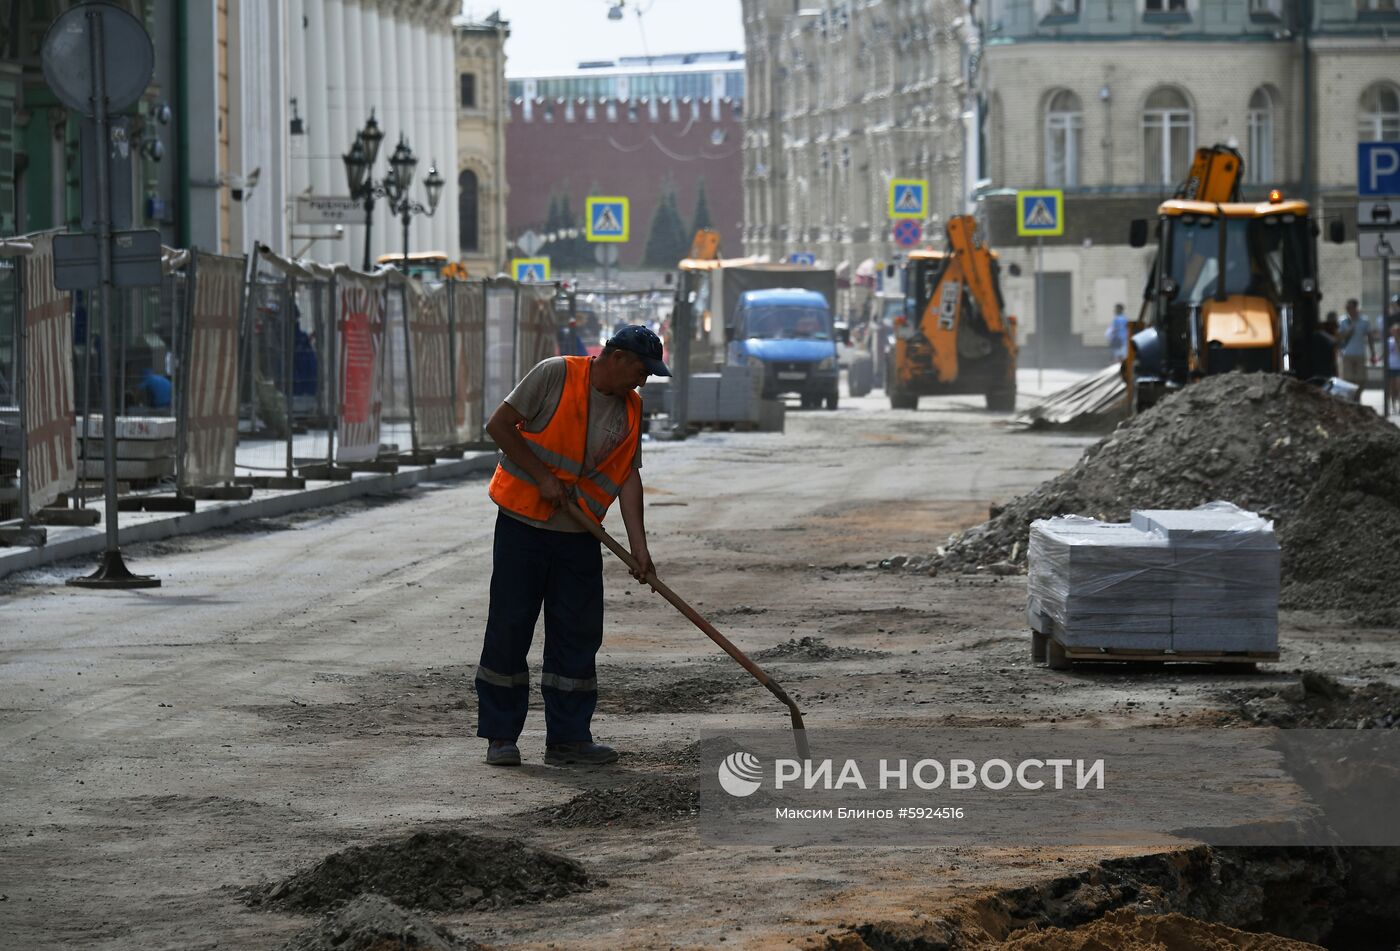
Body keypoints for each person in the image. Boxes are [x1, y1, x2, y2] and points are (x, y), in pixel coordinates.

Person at [476, 325, 670, 767]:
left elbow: (627, 477)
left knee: (578, 635)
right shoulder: (555, 374)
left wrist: (640, 548)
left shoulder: (632, 408)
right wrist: (543, 476)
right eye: (641, 371)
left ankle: (568, 739)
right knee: (510, 627)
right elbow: (500, 426)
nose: (643, 382)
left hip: (580, 536)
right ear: (617, 357)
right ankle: (501, 736)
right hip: (523, 527)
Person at [1337, 298, 1377, 394]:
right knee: (1347, 379)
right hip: (1347, 354)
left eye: (1350, 307)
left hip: (1360, 353)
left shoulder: (1364, 321)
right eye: (1347, 308)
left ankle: (1357, 397)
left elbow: (1370, 337)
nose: (1349, 310)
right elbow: (1339, 337)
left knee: (1361, 379)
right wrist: (1349, 331)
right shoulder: (1342, 321)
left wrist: (1372, 353)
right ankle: (1351, 399)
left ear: (1356, 308)